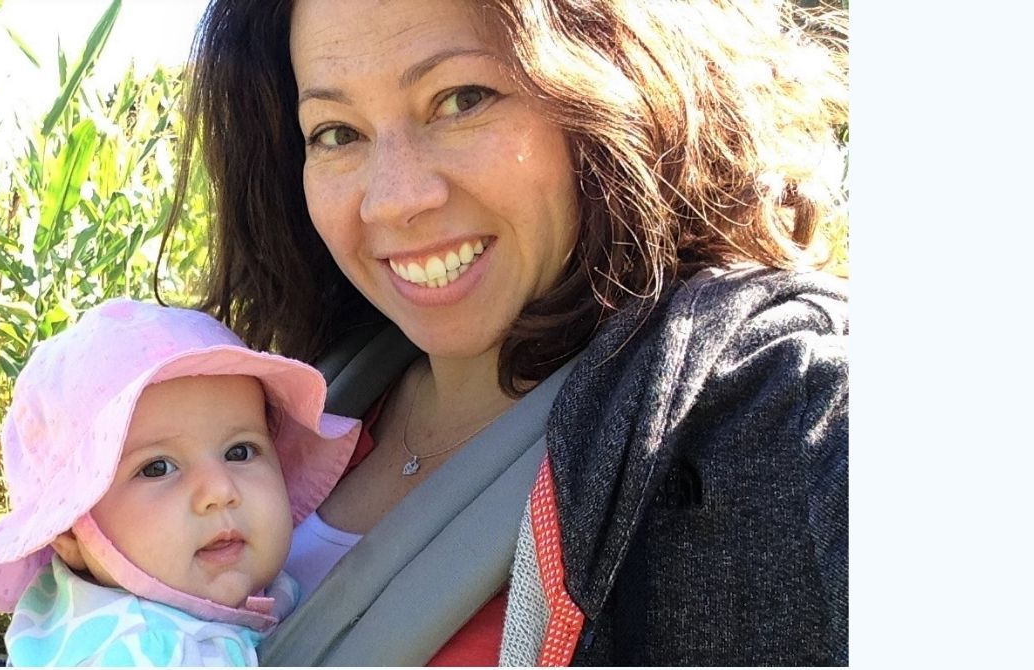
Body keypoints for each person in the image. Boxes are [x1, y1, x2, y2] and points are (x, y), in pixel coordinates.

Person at [160, 0, 849, 665]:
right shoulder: (294, 401)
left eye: (462, 100)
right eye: (338, 133)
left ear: (618, 86)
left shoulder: (766, 404)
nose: (394, 200)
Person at [0, 298, 359, 665]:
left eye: (240, 452)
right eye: (157, 468)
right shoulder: (149, 651)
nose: (219, 491)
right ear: (71, 533)